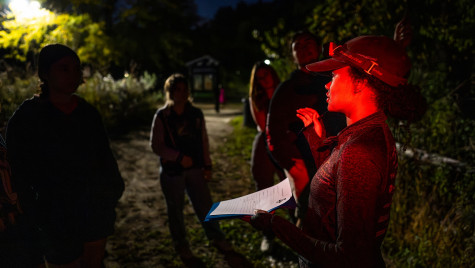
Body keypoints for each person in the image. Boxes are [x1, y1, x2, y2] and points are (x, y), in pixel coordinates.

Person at [250, 35, 427, 267]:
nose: (326, 83)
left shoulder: (360, 151)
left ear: (360, 83)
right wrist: (317, 140)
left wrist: (275, 225)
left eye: (333, 76)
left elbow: (350, 257)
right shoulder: (364, 134)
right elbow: (335, 192)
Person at [6, 44, 124, 267]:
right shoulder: (27, 118)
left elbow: (105, 158)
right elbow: (18, 170)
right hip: (55, 216)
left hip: (93, 210)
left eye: (77, 69)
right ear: (45, 73)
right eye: (64, 69)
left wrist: (109, 195)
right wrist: (33, 212)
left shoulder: (87, 113)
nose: (74, 75)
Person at [150, 73, 234, 267]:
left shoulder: (195, 114)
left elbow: (203, 140)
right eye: (176, 89)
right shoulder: (162, 116)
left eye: (184, 89)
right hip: (173, 172)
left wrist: (207, 164)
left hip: (195, 168)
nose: (181, 93)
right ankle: (181, 245)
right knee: (176, 211)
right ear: (169, 91)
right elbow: (156, 145)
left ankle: (217, 237)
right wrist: (178, 157)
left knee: (205, 205)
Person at [265, 31, 346, 225]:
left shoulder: (335, 79)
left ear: (319, 48)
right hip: (305, 161)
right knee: (307, 212)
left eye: (308, 43)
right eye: (297, 46)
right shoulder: (287, 90)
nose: (303, 48)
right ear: (293, 55)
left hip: (336, 158)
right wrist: (293, 165)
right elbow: (273, 133)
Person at [248, 62, 286, 252]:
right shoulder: (256, 97)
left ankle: (298, 228)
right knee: (263, 185)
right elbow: (264, 126)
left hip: (285, 139)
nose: (264, 79)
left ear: (272, 73)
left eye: (266, 74)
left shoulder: (285, 91)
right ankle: (268, 234)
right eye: (259, 77)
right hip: (266, 140)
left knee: (293, 186)